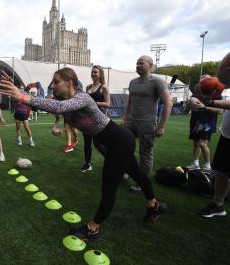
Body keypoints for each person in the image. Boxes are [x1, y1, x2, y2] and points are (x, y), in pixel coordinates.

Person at [0, 68, 166, 241]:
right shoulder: (63, 100)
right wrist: (20, 91)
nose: (53, 85)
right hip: (116, 141)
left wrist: (22, 96)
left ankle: (93, 229)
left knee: (109, 187)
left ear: (70, 83)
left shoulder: (82, 97)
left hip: (119, 141)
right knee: (137, 173)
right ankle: (154, 205)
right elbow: (48, 103)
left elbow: (59, 107)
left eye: (57, 82)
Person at [188, 50, 230, 218]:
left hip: (212, 126)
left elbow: (222, 108)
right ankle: (218, 204)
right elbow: (223, 77)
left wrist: (208, 103)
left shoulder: (216, 98)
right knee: (222, 171)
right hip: (228, 134)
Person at [121, 55, 173, 192]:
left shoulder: (157, 81)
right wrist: (125, 118)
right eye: (136, 63)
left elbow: (168, 103)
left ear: (150, 65)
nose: (137, 65)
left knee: (145, 154)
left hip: (147, 124)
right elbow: (130, 103)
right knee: (124, 148)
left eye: (141, 63)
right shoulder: (133, 82)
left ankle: (141, 183)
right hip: (131, 122)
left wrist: (161, 126)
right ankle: (127, 171)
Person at [185, 75, 222, 171]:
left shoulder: (217, 96)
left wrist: (204, 107)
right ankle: (195, 163)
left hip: (207, 124)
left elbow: (220, 111)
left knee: (202, 144)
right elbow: (186, 111)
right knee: (196, 144)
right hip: (196, 122)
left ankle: (207, 165)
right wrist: (188, 106)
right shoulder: (194, 96)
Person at [81, 65, 109, 172]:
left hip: (98, 119)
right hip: (86, 119)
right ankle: (88, 164)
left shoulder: (104, 88)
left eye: (95, 72)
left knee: (98, 144)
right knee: (87, 143)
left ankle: (112, 160)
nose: (93, 74)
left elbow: (108, 103)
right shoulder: (88, 87)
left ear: (100, 74)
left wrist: (94, 103)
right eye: (92, 72)